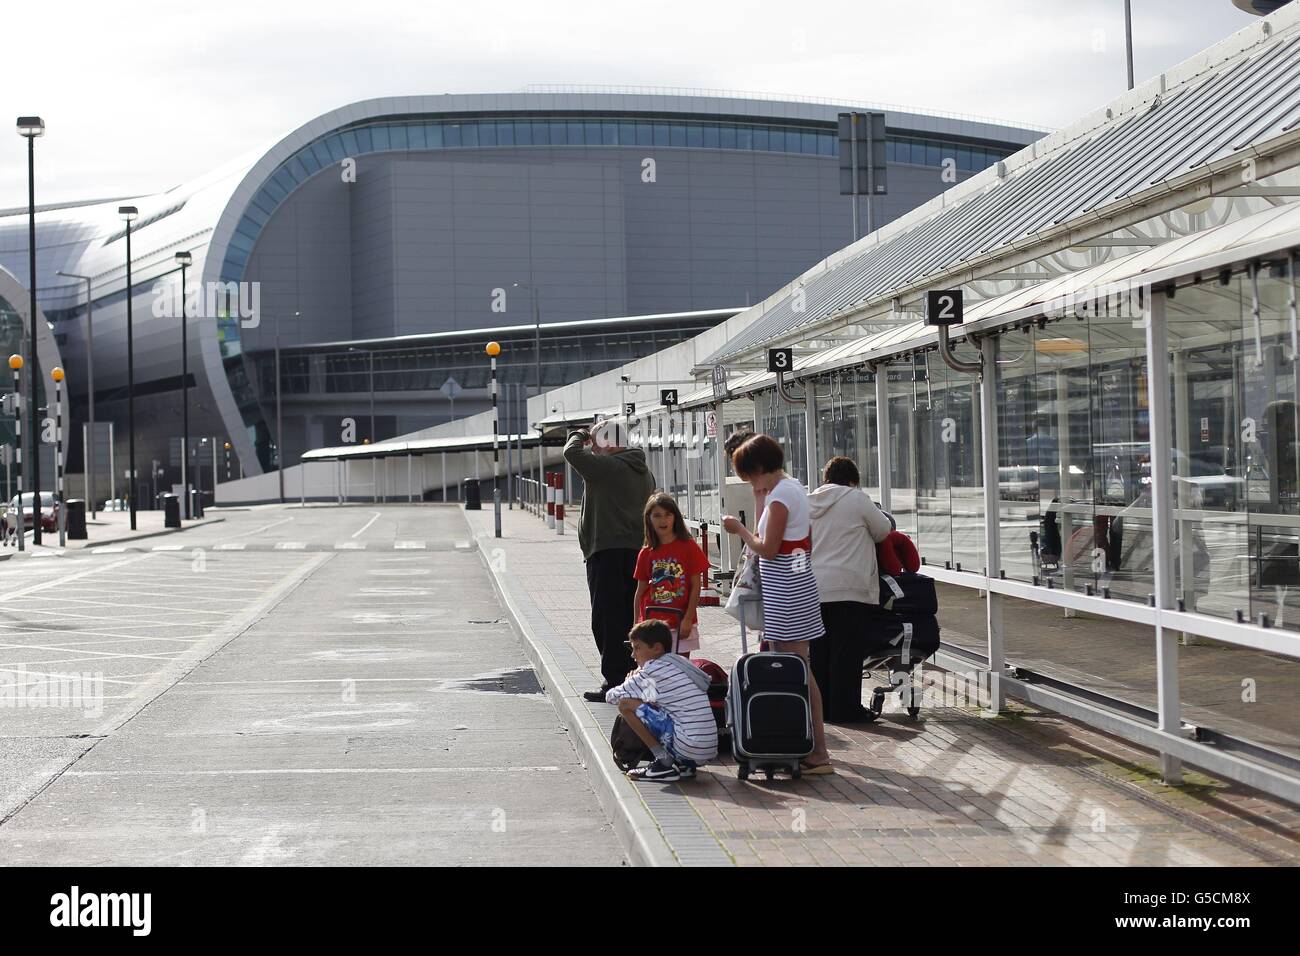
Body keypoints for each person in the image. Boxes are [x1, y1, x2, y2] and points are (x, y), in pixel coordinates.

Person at [721, 434, 833, 774]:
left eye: (750, 476)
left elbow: (767, 548)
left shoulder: (782, 497)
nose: (751, 483)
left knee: (798, 669)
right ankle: (810, 745)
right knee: (797, 666)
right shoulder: (790, 489)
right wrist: (759, 500)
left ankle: (819, 752)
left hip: (788, 591)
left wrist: (738, 528)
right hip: (793, 586)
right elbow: (797, 541)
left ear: (758, 467)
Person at [564, 419, 657, 703]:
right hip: (636, 552)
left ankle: (615, 681)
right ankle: (633, 674)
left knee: (606, 619)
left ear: (606, 442)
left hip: (606, 553)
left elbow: (571, 452)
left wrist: (581, 434)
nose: (593, 448)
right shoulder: (644, 472)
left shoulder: (607, 468)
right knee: (632, 616)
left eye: (596, 441)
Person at [807, 456, 893, 723]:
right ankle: (845, 710)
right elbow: (882, 530)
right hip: (851, 587)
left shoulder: (808, 502)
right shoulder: (857, 499)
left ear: (826, 478)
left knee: (820, 651)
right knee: (847, 651)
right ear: (853, 480)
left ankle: (823, 710)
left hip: (816, 587)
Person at [606, 619, 719, 781]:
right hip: (706, 748)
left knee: (626, 704)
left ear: (657, 648)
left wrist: (630, 679)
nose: (633, 655)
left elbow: (611, 696)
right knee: (656, 707)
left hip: (688, 745)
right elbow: (657, 700)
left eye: (637, 648)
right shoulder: (679, 662)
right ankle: (683, 765)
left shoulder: (651, 670)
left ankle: (663, 763)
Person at [634, 492, 709, 655]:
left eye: (668, 514)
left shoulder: (688, 546)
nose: (663, 520)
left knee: (679, 672)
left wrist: (688, 618)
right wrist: (636, 626)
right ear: (649, 519)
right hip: (652, 625)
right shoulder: (646, 553)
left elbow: (696, 586)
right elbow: (640, 592)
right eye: (657, 515)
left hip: (680, 622)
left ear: (675, 517)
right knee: (654, 671)